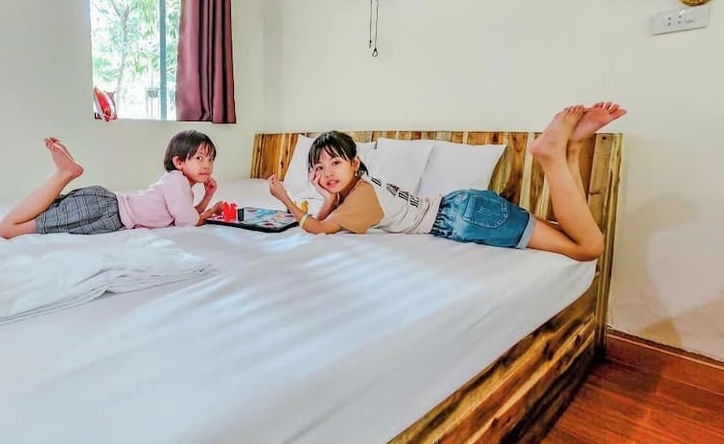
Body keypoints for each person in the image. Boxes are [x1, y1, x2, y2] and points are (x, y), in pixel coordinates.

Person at [267, 102, 627, 262]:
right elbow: (328, 217)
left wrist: (284, 196)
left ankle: (551, 156)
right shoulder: (359, 188)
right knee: (570, 232)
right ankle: (572, 148)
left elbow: (318, 228)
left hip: (464, 219)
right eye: (319, 167)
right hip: (463, 207)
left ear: (355, 163)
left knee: (587, 248)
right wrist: (324, 194)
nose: (327, 172)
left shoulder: (361, 197)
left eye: (335, 162)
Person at [0, 130, 224, 239]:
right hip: (104, 211)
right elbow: (188, 221)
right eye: (199, 158)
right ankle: (64, 173)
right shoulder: (178, 182)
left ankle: (65, 173)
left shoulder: (177, 184)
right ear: (179, 162)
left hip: (102, 206)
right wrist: (211, 211)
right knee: (9, 230)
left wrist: (207, 197)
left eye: (210, 159)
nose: (207, 165)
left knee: (40, 213)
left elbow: (184, 214)